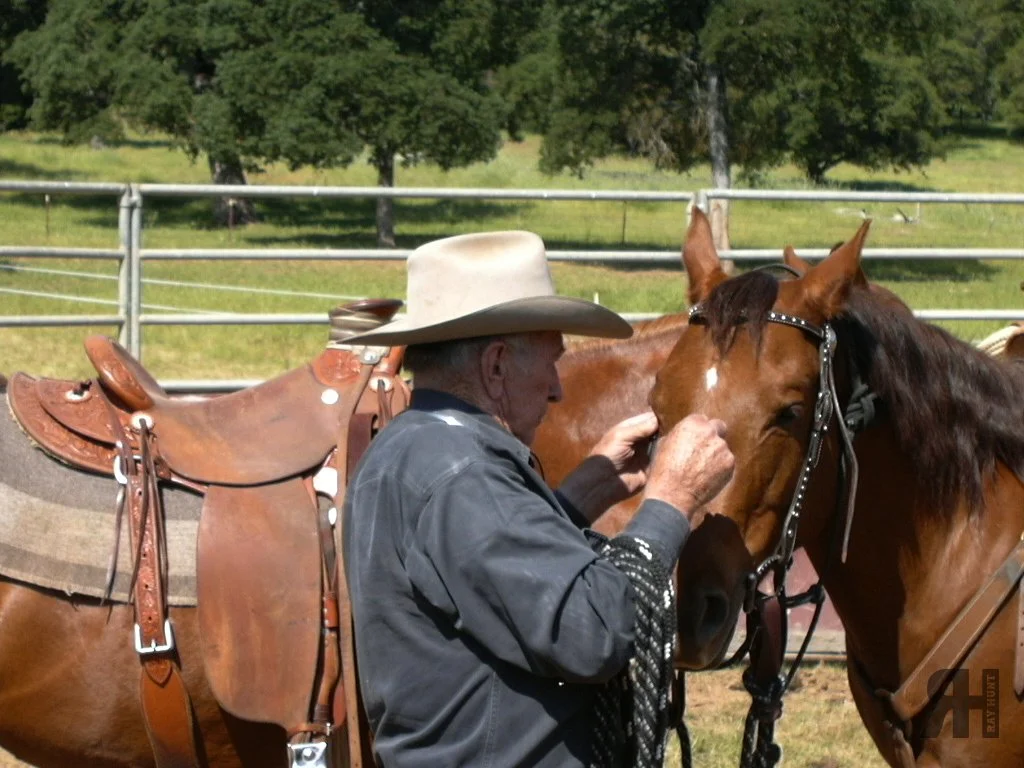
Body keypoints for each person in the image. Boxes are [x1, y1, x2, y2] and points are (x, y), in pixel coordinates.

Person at [342, 231, 734, 768]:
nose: (557, 388)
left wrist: (582, 493)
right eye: (550, 362)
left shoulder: (422, 447)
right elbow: (592, 632)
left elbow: (485, 576)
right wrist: (671, 498)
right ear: (497, 365)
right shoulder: (465, 473)